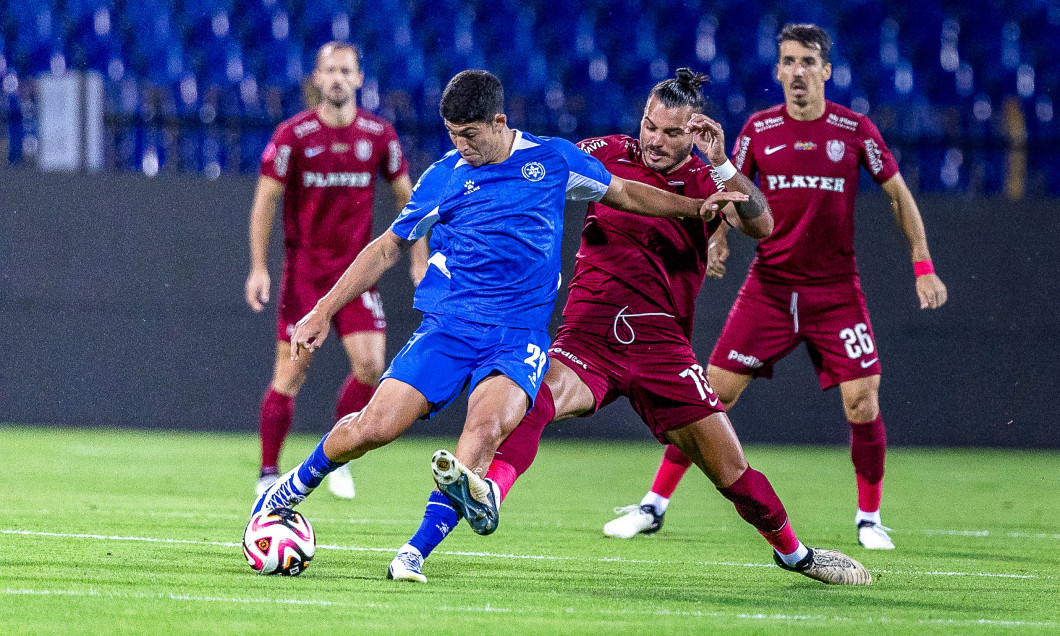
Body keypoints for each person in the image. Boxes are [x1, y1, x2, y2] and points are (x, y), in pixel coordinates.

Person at [387, 69, 872, 587]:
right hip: (588, 333)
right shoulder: (604, 151)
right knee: (532, 401)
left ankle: (796, 555)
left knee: (730, 470)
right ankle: (482, 499)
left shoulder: (712, 178)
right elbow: (528, 164)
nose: (654, 140)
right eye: (649, 125)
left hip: (663, 347)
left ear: (695, 132)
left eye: (669, 132)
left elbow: (763, 225)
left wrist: (723, 162)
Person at [251, 70, 737, 542]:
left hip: (517, 337)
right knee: (375, 427)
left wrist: (695, 208)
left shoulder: (551, 160)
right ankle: (291, 486)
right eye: (452, 134)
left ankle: (415, 551)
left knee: (483, 435)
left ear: (500, 123)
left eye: (469, 134)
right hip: (450, 328)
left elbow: (627, 192)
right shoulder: (444, 176)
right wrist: (324, 309)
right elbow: (386, 247)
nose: (461, 144)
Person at [604, 24, 948, 551]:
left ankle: (869, 517)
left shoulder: (854, 131)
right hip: (768, 287)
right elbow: (726, 189)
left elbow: (899, 195)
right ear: (778, 70)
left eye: (808, 61)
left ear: (826, 70)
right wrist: (715, 240)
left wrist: (923, 265)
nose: (797, 71)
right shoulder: (759, 130)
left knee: (862, 399)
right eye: (788, 61)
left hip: (835, 292)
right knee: (710, 395)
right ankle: (653, 505)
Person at [246, 42, 423, 499]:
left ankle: (334, 455)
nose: (339, 78)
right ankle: (268, 473)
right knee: (290, 374)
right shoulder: (294, 135)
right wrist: (258, 267)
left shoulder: (379, 136)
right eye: (330, 70)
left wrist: (419, 259)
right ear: (318, 79)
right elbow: (265, 200)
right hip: (306, 275)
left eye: (347, 70)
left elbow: (410, 199)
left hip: (356, 274)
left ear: (360, 78)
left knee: (371, 367)